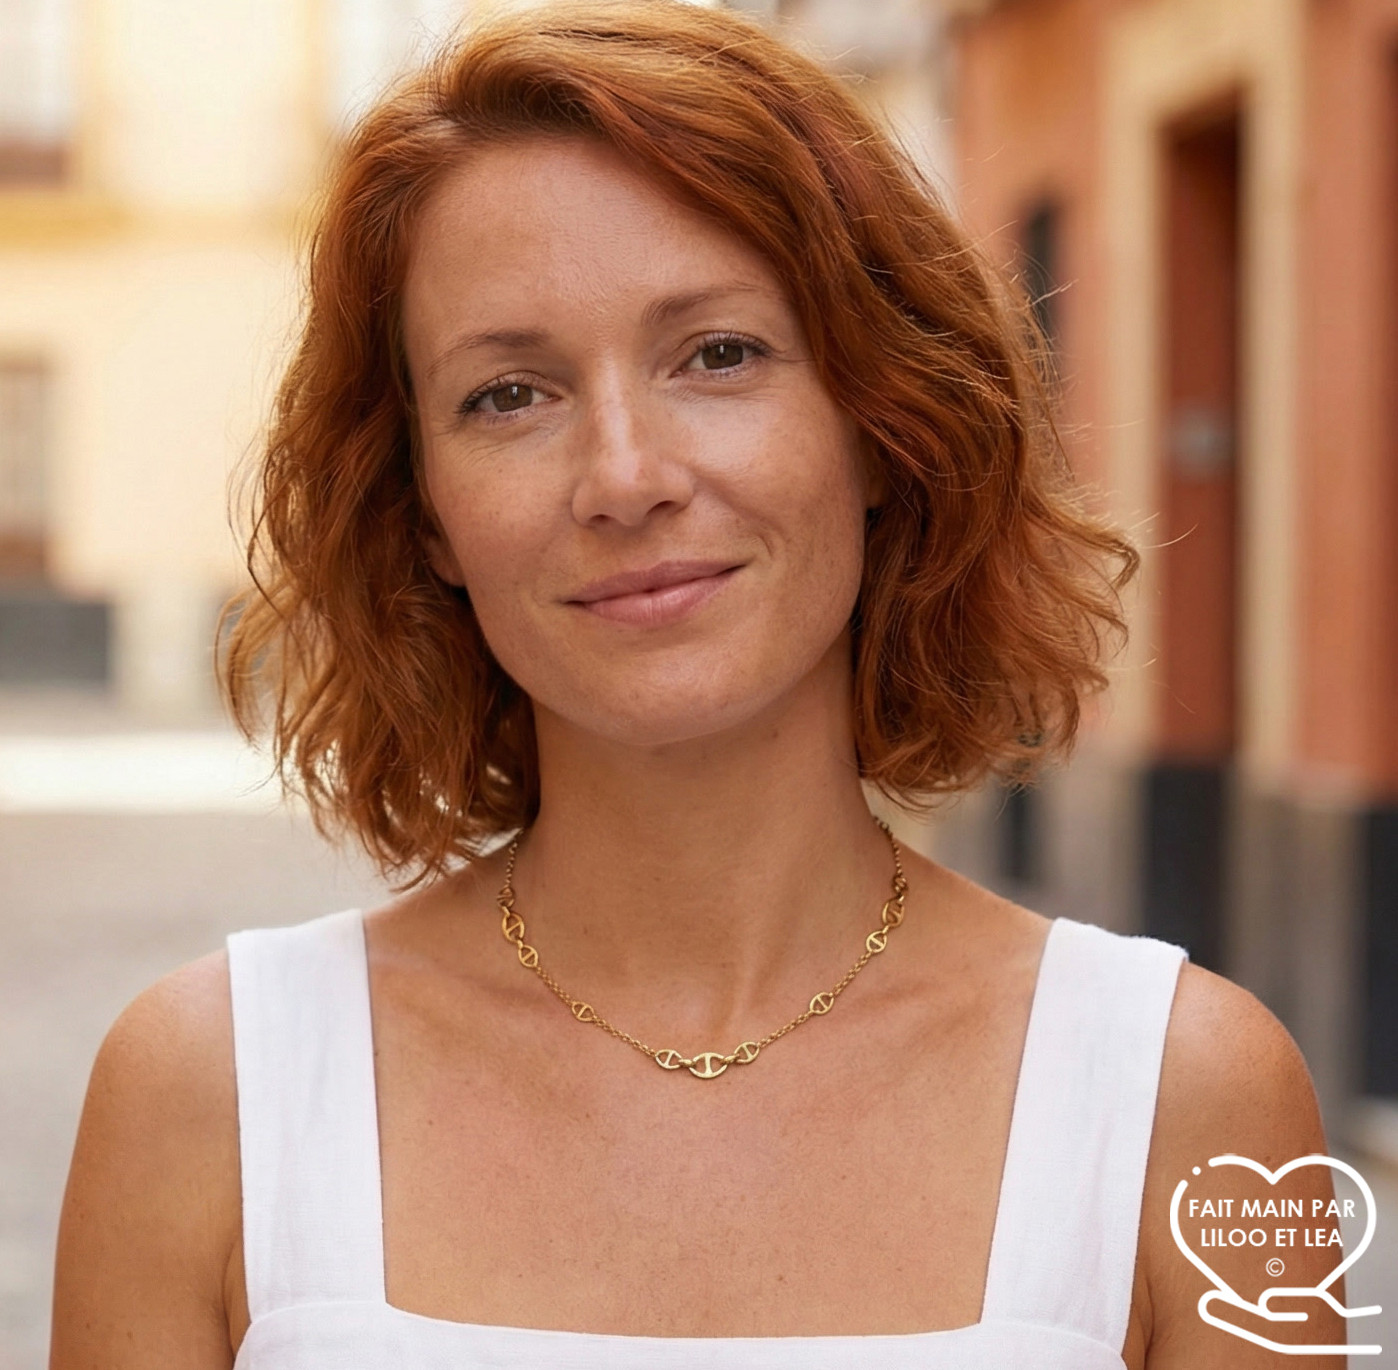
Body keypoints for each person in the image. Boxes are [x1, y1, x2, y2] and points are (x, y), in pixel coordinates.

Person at [51, 3, 1347, 1367]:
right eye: (509, 394)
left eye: (718, 354)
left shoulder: (1186, 1097)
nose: (624, 477)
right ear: (423, 511)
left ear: (881, 425)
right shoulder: (210, 1092)